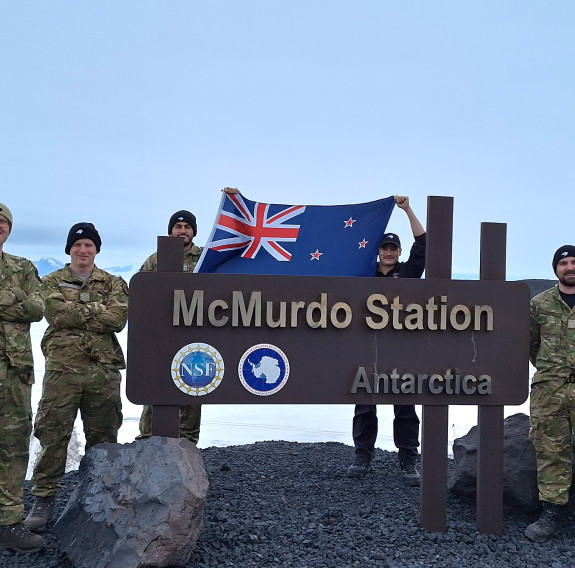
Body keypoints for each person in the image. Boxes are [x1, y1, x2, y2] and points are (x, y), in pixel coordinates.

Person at [24, 222, 128, 532]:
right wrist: (97, 310)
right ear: (69, 249)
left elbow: (118, 318)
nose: (83, 250)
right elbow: (55, 314)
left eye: (89, 245)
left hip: (103, 372)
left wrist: (76, 309)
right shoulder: (51, 281)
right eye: (77, 245)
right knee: (53, 434)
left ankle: (100, 496)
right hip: (62, 371)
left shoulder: (113, 282)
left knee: (104, 438)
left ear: (96, 249)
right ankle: (43, 500)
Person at [346, 195, 425, 486]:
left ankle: (408, 461)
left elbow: (424, 244)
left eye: (393, 248)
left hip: (401, 348)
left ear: (399, 251)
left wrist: (407, 209)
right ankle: (362, 457)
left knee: (404, 404)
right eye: (384, 248)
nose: (388, 252)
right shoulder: (363, 273)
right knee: (364, 404)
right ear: (377, 251)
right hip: (366, 346)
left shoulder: (408, 273)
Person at [0, 203, 45, 553]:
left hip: (15, 371)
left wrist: (10, 296)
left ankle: (8, 522)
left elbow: (36, 308)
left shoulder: (23, 267)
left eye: (4, 222)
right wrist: (15, 298)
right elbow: (24, 305)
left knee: (13, 445)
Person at [136, 209, 204, 442]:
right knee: (156, 390)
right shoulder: (155, 260)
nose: (182, 231)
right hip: (161, 339)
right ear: (170, 230)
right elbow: (140, 296)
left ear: (193, 231)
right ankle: (147, 446)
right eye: (178, 227)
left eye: (187, 227)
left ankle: (188, 452)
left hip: (195, 336)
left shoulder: (206, 257)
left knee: (194, 388)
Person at [525, 244, 575, 543]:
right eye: (564, 263)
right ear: (555, 269)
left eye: (574, 262)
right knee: (550, 452)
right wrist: (553, 370)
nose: (570, 267)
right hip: (549, 390)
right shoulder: (539, 304)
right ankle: (552, 513)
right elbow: (531, 345)